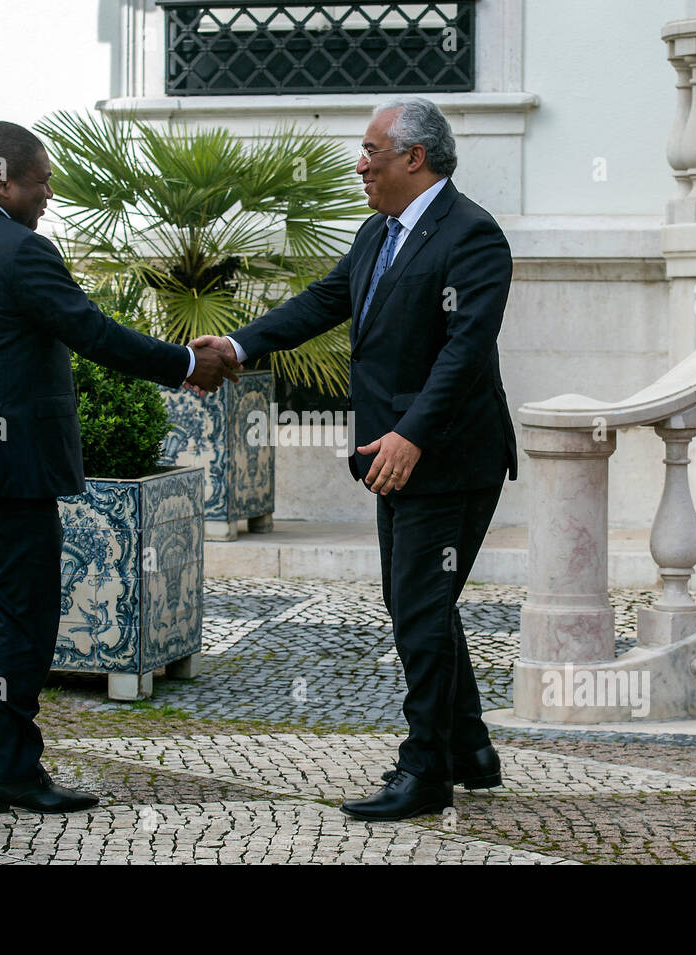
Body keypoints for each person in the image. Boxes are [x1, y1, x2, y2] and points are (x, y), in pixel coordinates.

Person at [0, 120, 238, 814]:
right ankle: (5, 767)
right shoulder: (21, 251)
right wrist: (187, 363)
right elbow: (92, 332)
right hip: (8, 469)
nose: (49, 194)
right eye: (41, 180)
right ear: (3, 178)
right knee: (23, 613)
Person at [194, 96, 518, 822]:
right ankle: (469, 747)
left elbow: (465, 353)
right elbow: (321, 302)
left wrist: (413, 434)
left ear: (415, 157)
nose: (359, 162)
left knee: (418, 610)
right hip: (389, 455)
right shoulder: (378, 233)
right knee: (421, 603)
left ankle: (424, 770)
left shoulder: (474, 236)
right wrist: (238, 346)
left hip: (447, 458)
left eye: (372, 149)